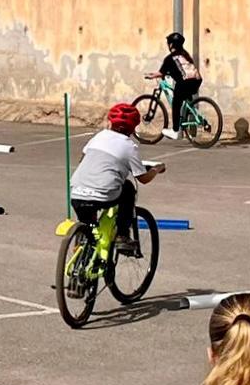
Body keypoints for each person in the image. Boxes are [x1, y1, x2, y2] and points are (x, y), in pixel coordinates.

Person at [70, 103, 165, 254]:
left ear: (110, 122)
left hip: (76, 191)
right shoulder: (129, 147)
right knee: (127, 189)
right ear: (133, 128)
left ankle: (80, 252)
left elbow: (83, 160)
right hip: (105, 194)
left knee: (88, 225)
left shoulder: (98, 137)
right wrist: (156, 169)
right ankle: (122, 235)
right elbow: (143, 178)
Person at [146, 32, 202, 140]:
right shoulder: (184, 55)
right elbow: (181, 70)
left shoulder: (170, 58)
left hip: (185, 83)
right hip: (197, 81)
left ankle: (175, 131)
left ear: (171, 45)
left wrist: (151, 76)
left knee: (176, 102)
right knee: (182, 96)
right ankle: (194, 119)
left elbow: (161, 73)